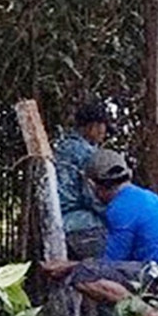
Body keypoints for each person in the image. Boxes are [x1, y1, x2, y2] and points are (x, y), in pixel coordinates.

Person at [42, 150, 158, 316]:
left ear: (91, 185)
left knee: (84, 275)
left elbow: (108, 265)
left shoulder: (119, 208)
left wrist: (69, 266)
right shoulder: (144, 198)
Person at [53, 101, 114, 259]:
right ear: (92, 126)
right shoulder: (86, 154)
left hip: (58, 219)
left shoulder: (62, 147)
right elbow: (92, 196)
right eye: (102, 127)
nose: (103, 133)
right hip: (79, 220)